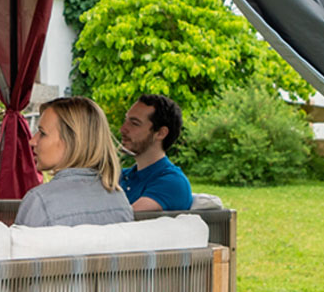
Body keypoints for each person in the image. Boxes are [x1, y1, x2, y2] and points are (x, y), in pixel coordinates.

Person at [14, 96, 133, 226]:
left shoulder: (40, 201)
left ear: (71, 141)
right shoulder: (120, 201)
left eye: (42, 133)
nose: (32, 141)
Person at [119, 93, 195, 214]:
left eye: (134, 123)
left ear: (161, 133)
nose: (123, 129)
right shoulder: (121, 176)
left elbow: (124, 219)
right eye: (126, 120)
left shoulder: (172, 182)